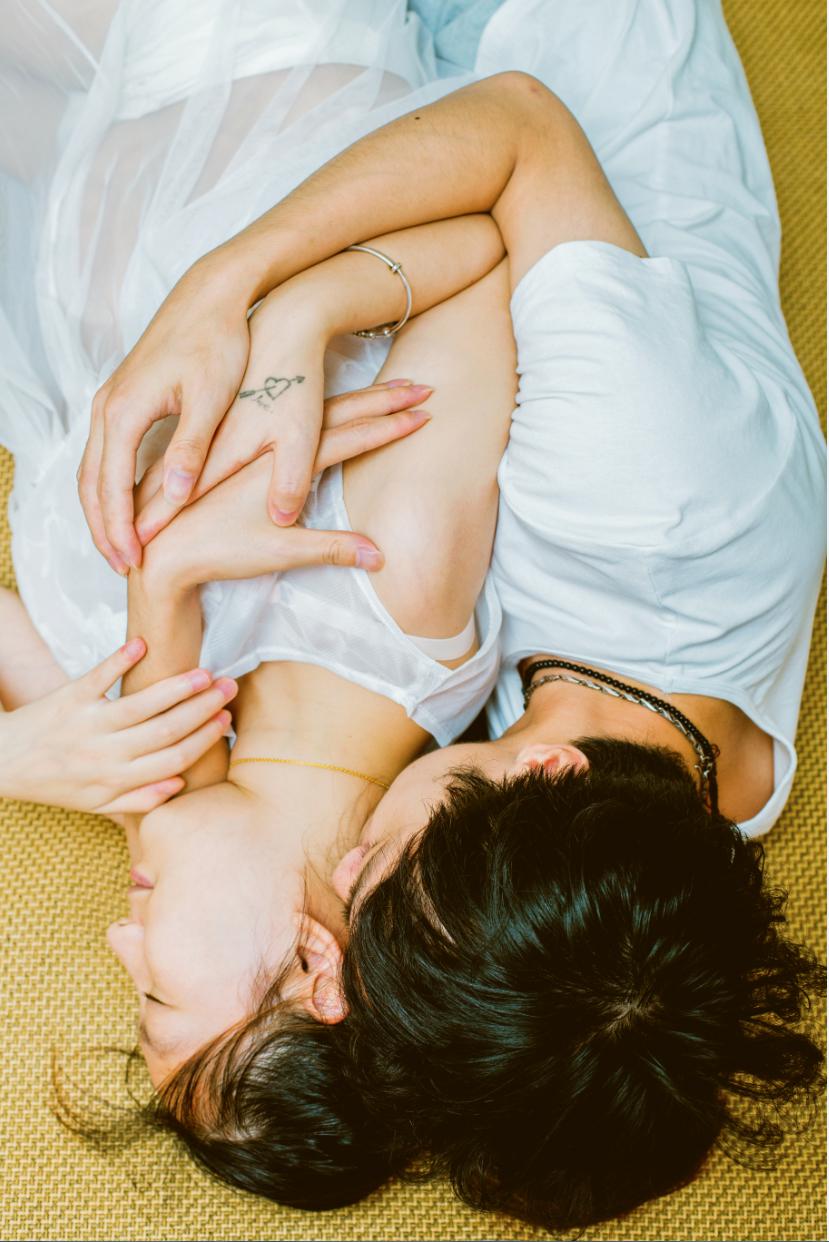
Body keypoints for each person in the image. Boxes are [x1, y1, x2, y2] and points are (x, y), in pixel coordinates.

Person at [78, 3, 825, 1233]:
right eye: (375, 874)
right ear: (539, 767)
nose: (341, 866)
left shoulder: (645, 865)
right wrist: (246, 298)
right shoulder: (655, 485)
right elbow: (519, 126)